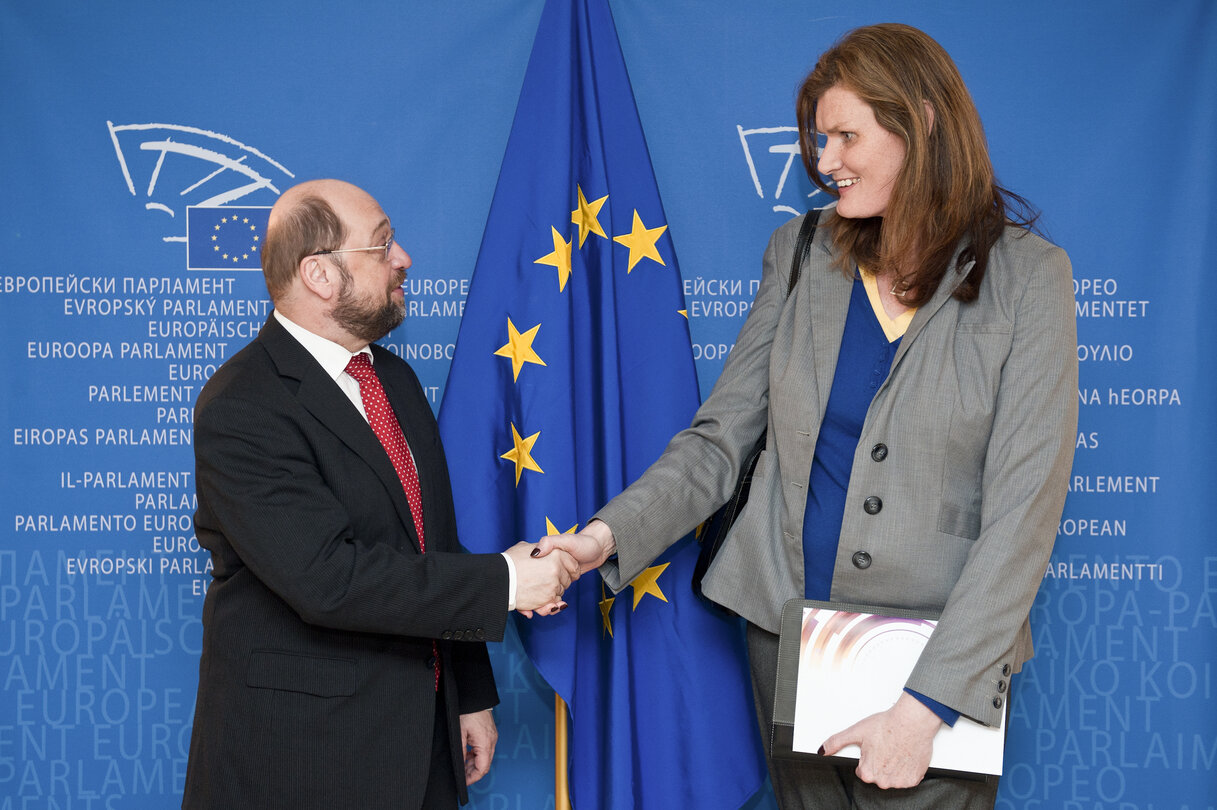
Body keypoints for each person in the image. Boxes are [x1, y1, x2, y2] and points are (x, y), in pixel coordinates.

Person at [534, 23, 1077, 809]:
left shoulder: (1029, 277)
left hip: (937, 658)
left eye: (844, 137)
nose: (823, 164)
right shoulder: (797, 253)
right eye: (817, 141)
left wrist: (926, 707)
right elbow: (719, 441)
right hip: (785, 636)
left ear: (921, 121)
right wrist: (601, 539)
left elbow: (1024, 513)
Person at [182, 179, 579, 810]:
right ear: (320, 275)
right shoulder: (243, 405)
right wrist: (506, 584)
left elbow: (432, 541)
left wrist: (467, 692)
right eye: (383, 244)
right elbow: (327, 577)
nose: (404, 259)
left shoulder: (390, 377)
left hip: (419, 737)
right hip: (303, 757)